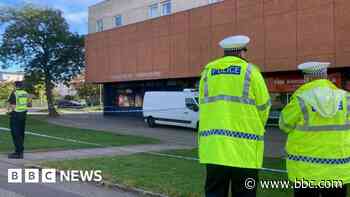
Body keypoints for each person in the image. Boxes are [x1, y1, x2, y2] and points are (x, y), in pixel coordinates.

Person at [198, 35, 271, 197]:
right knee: (245, 193)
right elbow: (264, 107)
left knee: (214, 192)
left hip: (214, 149)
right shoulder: (251, 71)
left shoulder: (208, 71)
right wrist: (258, 126)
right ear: (242, 52)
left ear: (225, 52)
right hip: (245, 151)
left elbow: (203, 104)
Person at [279, 62, 350, 197]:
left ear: (307, 78)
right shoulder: (346, 98)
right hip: (338, 171)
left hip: (305, 171)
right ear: (325, 76)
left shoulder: (301, 100)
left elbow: (284, 125)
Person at [7, 81, 28, 159]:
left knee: (16, 134)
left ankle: (18, 153)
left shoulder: (14, 93)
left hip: (16, 114)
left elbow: (13, 106)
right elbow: (29, 103)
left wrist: (9, 112)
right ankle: (20, 151)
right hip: (23, 115)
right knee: (21, 133)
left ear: (15, 86)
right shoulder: (25, 93)